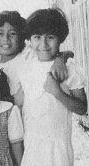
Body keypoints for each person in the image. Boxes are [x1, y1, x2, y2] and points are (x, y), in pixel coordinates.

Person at [12, 8, 87, 166]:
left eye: (50, 37)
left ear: (60, 38)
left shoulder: (68, 69)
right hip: (31, 143)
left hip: (57, 146)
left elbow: (82, 108)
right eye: (37, 37)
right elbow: (19, 100)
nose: (43, 44)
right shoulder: (27, 66)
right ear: (30, 40)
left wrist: (57, 93)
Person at [0, 10, 72, 107]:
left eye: (12, 34)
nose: (6, 39)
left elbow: (67, 53)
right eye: (0, 33)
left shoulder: (29, 54)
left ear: (22, 36)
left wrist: (60, 59)